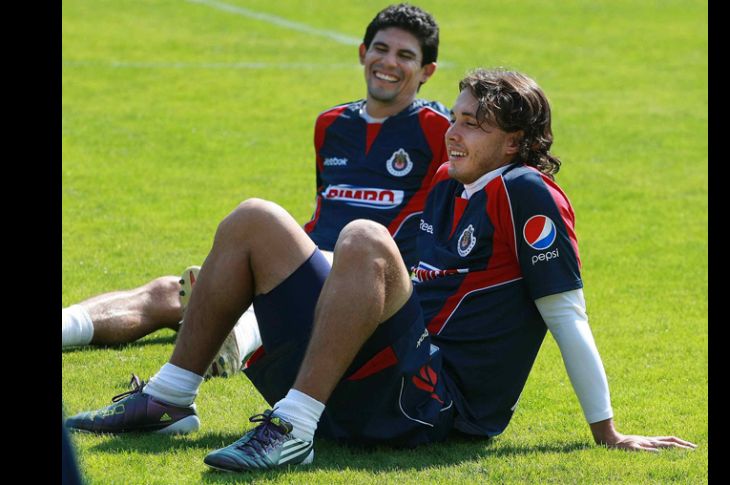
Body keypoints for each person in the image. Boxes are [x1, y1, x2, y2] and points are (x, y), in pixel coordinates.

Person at [67, 67, 696, 470]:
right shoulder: (450, 187)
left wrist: (607, 432)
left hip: (432, 405)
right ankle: (171, 398)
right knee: (255, 219)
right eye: (455, 117)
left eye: (475, 125)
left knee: (363, 235)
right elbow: (358, 281)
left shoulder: (526, 191)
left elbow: (566, 314)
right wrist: (251, 314)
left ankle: (293, 428)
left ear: (513, 143)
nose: (454, 132)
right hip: (379, 379)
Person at [65, 3, 450, 432]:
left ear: (427, 71)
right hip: (307, 261)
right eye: (381, 49)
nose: (389, 63)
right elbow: (325, 204)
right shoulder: (331, 123)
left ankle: (232, 344)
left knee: (250, 240)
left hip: (362, 285)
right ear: (362, 52)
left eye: (405, 56)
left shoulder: (441, 130)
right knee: (169, 292)